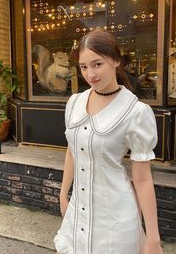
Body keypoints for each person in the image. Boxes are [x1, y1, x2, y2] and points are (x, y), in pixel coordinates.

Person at [54, 30, 163, 254]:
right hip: (78, 211)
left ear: (115, 60)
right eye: (83, 67)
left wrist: (153, 238)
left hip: (116, 219)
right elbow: (72, 152)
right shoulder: (75, 103)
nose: (90, 74)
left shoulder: (136, 112)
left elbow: (142, 179)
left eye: (97, 64)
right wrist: (64, 194)